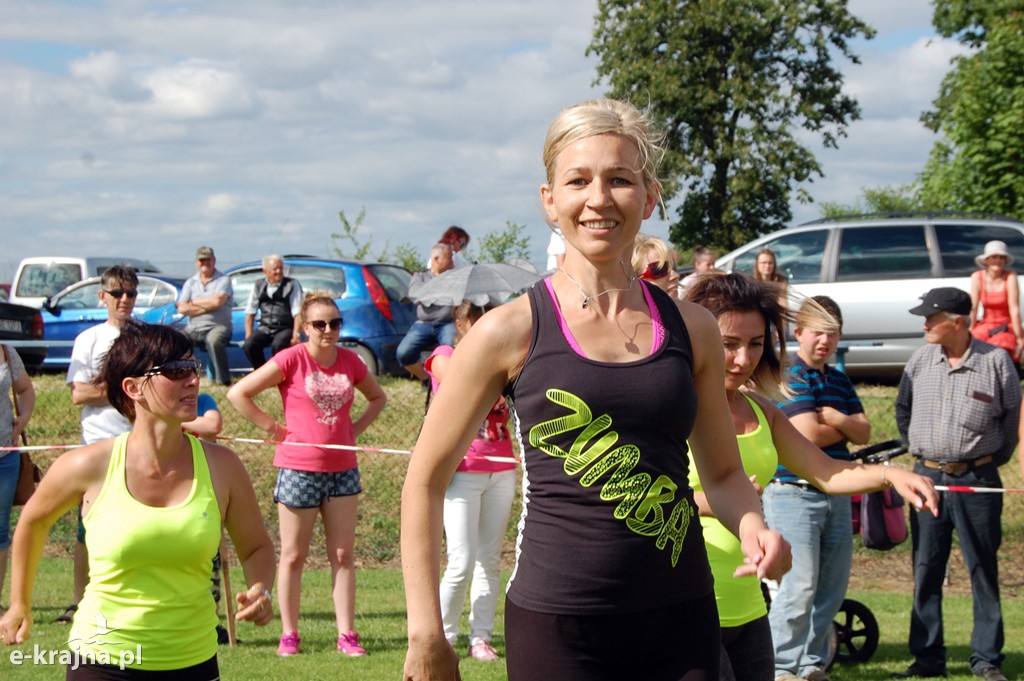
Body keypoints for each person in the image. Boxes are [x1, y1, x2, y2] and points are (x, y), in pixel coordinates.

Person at [401, 98, 790, 681]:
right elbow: (425, 481)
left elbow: (725, 476)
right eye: (578, 180)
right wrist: (427, 632)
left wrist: (755, 527)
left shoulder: (694, 328)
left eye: (620, 179)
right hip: (560, 627)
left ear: (650, 195)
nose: (599, 198)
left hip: (681, 618)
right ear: (549, 200)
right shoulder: (508, 331)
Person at [683, 273, 938, 681]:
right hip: (688, 606)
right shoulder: (672, 409)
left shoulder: (762, 410)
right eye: (729, 344)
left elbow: (827, 471)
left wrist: (890, 474)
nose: (743, 359)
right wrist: (708, 502)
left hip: (749, 607)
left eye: (755, 344)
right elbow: (631, 495)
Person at [0, 322, 275, 678]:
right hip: (102, 662)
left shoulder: (223, 466)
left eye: (193, 368)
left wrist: (260, 589)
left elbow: (256, 548)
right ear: (132, 388)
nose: (192, 380)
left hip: (194, 663)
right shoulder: (87, 464)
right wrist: (19, 603)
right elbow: (33, 522)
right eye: (175, 371)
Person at [228, 292, 387, 657]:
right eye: (319, 324)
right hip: (299, 469)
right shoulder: (292, 359)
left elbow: (378, 399)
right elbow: (239, 394)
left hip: (343, 471)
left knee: (343, 555)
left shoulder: (351, 361)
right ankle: (289, 634)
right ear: (305, 326)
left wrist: (353, 431)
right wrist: (273, 429)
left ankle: (347, 635)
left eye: (334, 323)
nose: (328, 330)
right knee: (294, 556)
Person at [892, 287, 1020, 681]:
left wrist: (979, 463)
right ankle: (927, 659)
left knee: (982, 567)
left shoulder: (997, 362)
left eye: (932, 317)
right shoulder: (919, 360)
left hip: (977, 479)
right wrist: (925, 458)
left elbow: (1010, 423)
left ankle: (986, 660)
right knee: (926, 568)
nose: (925, 324)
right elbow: (903, 409)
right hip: (927, 477)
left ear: (958, 321)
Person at [762, 295, 872, 681]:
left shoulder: (838, 380)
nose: (825, 341)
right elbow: (806, 435)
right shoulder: (790, 374)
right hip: (793, 493)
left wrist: (837, 417)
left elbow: (865, 430)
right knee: (797, 588)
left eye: (832, 333)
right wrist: (843, 426)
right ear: (799, 332)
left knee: (831, 588)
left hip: (837, 493)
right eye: (818, 332)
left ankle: (812, 664)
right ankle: (779, 667)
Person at [424, 301, 517, 663]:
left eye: (487, 319)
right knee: (461, 560)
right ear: (460, 323)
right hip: (463, 471)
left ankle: (481, 637)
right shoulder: (445, 354)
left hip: (502, 467)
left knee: (489, 560)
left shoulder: (505, 358)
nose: (481, 325)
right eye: (474, 319)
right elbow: (457, 380)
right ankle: (444, 637)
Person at [60, 264, 139, 625]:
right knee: (88, 529)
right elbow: (80, 394)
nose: (125, 300)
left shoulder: (144, 338)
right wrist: (127, 387)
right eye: (118, 293)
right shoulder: (88, 340)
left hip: (140, 446)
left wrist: (103, 390)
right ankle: (79, 601)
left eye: (131, 293)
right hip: (98, 446)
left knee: (137, 527)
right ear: (102, 296)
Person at [0, 344, 34, 616]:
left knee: (0, 532)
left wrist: (22, 419)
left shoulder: (7, 352)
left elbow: (25, 389)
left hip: (5, 457)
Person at [398, 243, 458, 382]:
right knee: (403, 353)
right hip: (423, 324)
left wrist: (428, 295)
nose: (452, 261)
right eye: (448, 258)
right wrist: (443, 295)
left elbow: (456, 297)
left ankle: (448, 383)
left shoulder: (453, 278)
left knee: (452, 352)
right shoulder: (420, 276)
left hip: (447, 323)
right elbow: (415, 294)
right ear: (437, 259)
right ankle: (426, 379)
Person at [177, 246, 234, 386]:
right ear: (197, 262)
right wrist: (209, 304)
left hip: (219, 326)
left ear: (214, 260)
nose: (205, 263)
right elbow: (181, 307)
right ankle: (181, 377)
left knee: (214, 341)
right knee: (177, 340)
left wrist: (194, 303)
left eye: (207, 259)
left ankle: (223, 381)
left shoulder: (223, 280)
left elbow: (218, 302)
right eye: (201, 260)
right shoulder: (190, 282)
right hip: (195, 327)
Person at [242, 255, 304, 370]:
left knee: (278, 345)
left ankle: (279, 373)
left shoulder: (292, 284)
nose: (279, 271)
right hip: (265, 327)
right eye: (275, 269)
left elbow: (298, 313)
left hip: (285, 327)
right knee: (249, 345)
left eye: (280, 268)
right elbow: (250, 313)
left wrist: (296, 335)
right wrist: (248, 335)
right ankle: (262, 373)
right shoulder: (258, 285)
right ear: (265, 271)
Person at [968, 240, 1023, 362]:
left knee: (1002, 345)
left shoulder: (1010, 276)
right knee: (974, 343)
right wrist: (970, 329)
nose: (998, 260)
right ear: (987, 260)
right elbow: (974, 307)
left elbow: (1014, 309)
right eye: (994, 257)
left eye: (1001, 258)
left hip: (1006, 325)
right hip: (986, 323)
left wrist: (1020, 337)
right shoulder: (977, 276)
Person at [632, 233, 682, 299]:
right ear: (635, 279)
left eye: (674, 267)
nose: (675, 275)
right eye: (660, 269)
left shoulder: (692, 309)